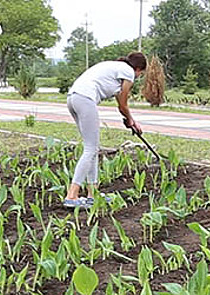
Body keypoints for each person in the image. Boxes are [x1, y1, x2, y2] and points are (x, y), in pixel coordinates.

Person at [62, 52, 147, 208]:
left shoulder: (115, 68)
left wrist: (129, 120)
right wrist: (132, 121)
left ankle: (92, 194)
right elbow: (123, 104)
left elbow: (120, 104)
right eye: (141, 74)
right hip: (85, 98)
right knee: (90, 149)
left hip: (73, 98)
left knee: (93, 148)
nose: (138, 76)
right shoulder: (128, 72)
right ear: (138, 69)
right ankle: (72, 196)